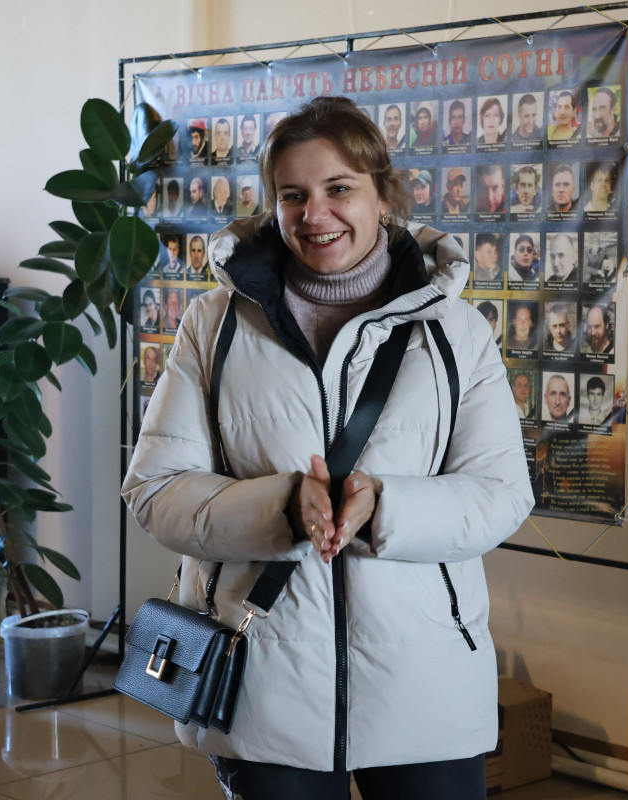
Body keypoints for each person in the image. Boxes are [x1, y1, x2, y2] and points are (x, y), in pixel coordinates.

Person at [122, 95, 532, 800]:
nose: (315, 215)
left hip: (424, 682)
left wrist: (386, 508)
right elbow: (156, 491)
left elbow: (501, 494)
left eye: (339, 188)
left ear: (384, 195)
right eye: (293, 195)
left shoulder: (457, 332)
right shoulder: (214, 325)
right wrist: (280, 506)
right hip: (263, 682)